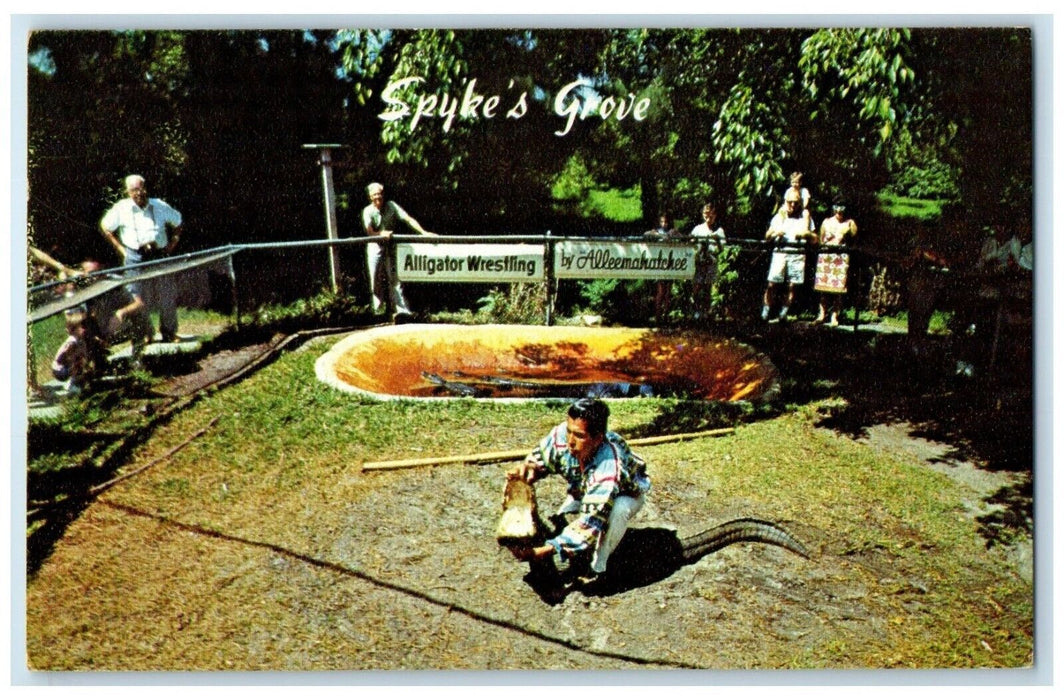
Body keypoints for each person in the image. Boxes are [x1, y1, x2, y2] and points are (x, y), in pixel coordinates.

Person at [505, 398, 652, 585]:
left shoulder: (608, 467)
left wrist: (543, 551)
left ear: (598, 438)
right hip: (583, 486)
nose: (570, 442)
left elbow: (590, 521)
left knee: (616, 512)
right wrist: (528, 470)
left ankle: (599, 567)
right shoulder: (561, 435)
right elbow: (539, 460)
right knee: (564, 516)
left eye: (579, 436)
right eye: (569, 432)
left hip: (625, 493)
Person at [100, 174, 184, 342]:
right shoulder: (121, 208)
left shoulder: (159, 205)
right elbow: (106, 227)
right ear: (128, 192)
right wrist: (120, 249)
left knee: (166, 293)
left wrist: (173, 242)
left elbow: (179, 222)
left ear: (146, 187)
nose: (139, 193)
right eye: (134, 190)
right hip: (134, 256)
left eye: (141, 188)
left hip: (159, 254)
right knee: (135, 297)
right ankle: (146, 334)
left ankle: (169, 332)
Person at [361, 182, 436, 321]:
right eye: (374, 195)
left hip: (390, 245)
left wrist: (423, 232)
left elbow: (407, 218)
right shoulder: (367, 211)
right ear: (370, 197)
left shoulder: (391, 206)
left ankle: (402, 312)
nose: (378, 197)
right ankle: (378, 311)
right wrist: (381, 234)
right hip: (375, 245)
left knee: (395, 278)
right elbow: (369, 231)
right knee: (375, 278)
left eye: (379, 194)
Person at [762, 188, 817, 322]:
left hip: (797, 255)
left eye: (796, 202)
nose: (793, 205)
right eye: (790, 202)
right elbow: (767, 236)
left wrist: (807, 234)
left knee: (792, 286)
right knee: (772, 284)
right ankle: (765, 313)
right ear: (785, 201)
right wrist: (775, 233)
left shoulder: (805, 217)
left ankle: (783, 314)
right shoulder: (779, 216)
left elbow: (816, 239)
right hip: (780, 253)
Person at [813, 201, 858, 326]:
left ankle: (834, 317)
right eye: (837, 209)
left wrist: (845, 235)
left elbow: (854, 240)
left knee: (838, 290)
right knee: (823, 288)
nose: (839, 212)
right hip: (826, 257)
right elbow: (821, 239)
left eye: (842, 210)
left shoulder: (850, 223)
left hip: (840, 258)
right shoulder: (826, 222)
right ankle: (821, 315)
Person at [51, 308, 108, 395]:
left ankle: (78, 381)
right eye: (81, 327)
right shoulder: (72, 342)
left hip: (67, 366)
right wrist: (74, 362)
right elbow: (61, 358)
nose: (84, 329)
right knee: (79, 364)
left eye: (84, 326)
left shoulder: (80, 338)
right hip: (60, 369)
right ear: (73, 330)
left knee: (82, 363)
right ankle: (71, 385)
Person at [689, 203, 726, 321]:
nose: (708, 218)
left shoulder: (719, 230)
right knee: (697, 286)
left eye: (711, 215)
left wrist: (717, 240)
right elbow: (690, 243)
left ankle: (705, 313)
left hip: (711, 262)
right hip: (699, 261)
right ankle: (694, 310)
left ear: (715, 215)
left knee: (707, 288)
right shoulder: (698, 228)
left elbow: (721, 249)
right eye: (706, 215)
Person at [644, 213, 682, 324]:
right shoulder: (657, 231)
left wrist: (675, 234)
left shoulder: (672, 231)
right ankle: (658, 316)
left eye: (665, 222)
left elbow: (683, 238)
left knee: (668, 292)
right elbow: (646, 234)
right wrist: (655, 234)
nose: (664, 224)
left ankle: (666, 315)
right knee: (660, 291)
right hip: (660, 264)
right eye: (662, 222)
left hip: (670, 264)